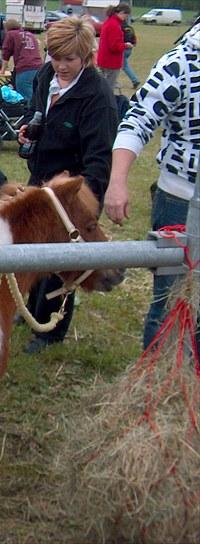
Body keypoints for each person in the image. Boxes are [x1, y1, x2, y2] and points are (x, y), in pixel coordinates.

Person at [18, 17, 117, 354]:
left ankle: (51, 330)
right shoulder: (47, 76)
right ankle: (31, 310)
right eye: (54, 56)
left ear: (87, 56)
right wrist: (30, 130)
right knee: (31, 251)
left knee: (61, 259)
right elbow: (38, 114)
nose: (60, 65)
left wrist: (86, 209)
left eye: (69, 60)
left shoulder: (98, 98)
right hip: (40, 181)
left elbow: (99, 159)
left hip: (72, 194)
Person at [104, 20, 200, 350]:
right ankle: (157, 383)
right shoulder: (180, 63)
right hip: (180, 202)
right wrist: (117, 182)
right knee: (169, 301)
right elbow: (138, 120)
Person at [0, 18, 42, 102]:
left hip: (25, 67)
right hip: (39, 66)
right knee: (36, 92)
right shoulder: (29, 34)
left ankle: (28, 112)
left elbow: (6, 52)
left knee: (24, 94)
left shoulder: (11, 34)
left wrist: (2, 70)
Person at [96, 3, 132, 91]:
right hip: (111, 62)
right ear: (122, 13)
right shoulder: (114, 25)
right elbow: (114, 47)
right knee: (109, 88)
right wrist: (126, 45)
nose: (126, 18)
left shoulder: (108, 22)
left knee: (103, 86)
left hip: (104, 59)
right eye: (126, 15)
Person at [121, 17, 140, 90]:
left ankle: (135, 80)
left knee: (124, 66)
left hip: (123, 48)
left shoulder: (119, 28)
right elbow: (134, 38)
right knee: (122, 65)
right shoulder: (130, 28)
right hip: (130, 49)